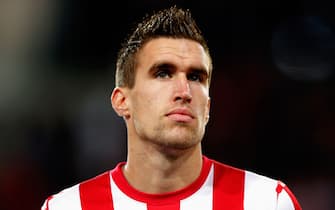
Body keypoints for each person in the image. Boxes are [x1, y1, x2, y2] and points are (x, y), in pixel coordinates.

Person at [41, 5, 302, 210]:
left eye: (196, 77)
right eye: (163, 73)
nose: (184, 92)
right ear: (122, 101)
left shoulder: (266, 202)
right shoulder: (68, 207)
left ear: (208, 107)